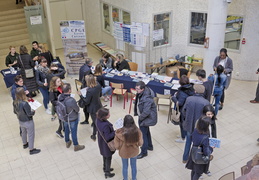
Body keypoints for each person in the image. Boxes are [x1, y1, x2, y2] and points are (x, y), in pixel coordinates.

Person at [182, 84, 210, 163]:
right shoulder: (206, 102)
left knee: (188, 142)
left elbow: (184, 111)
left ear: (195, 91)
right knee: (198, 145)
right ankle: (195, 159)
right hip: (199, 127)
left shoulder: (189, 99)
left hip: (189, 124)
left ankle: (185, 158)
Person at [13, 87, 41, 155]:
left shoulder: (14, 102)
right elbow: (29, 114)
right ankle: (31, 149)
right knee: (31, 135)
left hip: (20, 120)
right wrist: (33, 110)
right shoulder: (25, 103)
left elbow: (14, 111)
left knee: (23, 132)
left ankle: (25, 144)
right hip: (28, 121)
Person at [114, 115, 143, 180]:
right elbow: (140, 143)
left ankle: (125, 179)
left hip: (124, 153)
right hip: (134, 152)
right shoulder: (137, 132)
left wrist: (120, 148)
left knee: (125, 167)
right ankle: (134, 178)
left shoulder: (119, 133)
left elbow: (116, 146)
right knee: (134, 166)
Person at [134, 81, 157, 159]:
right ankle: (150, 146)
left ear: (143, 89)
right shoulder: (142, 93)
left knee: (142, 135)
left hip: (144, 118)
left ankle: (144, 152)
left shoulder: (146, 98)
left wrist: (140, 118)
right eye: (136, 88)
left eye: (137, 89)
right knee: (146, 132)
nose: (136, 90)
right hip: (145, 117)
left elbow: (146, 111)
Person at [59, 83, 85, 151]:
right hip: (72, 118)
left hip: (64, 118)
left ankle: (67, 141)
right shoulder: (71, 100)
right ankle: (76, 145)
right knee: (73, 131)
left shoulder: (59, 97)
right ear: (69, 90)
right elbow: (77, 109)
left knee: (66, 129)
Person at [78, 74, 102, 141]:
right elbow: (100, 94)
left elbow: (86, 102)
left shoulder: (90, 91)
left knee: (95, 122)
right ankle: (95, 133)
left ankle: (94, 135)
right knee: (98, 119)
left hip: (92, 108)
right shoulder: (98, 85)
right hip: (98, 105)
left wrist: (81, 95)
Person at [172, 75, 194, 143]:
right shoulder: (191, 88)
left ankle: (183, 138)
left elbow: (179, 103)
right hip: (189, 108)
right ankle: (184, 135)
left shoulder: (182, 91)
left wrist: (174, 98)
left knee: (182, 124)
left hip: (183, 110)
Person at [96, 107, 115, 179]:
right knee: (108, 157)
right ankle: (107, 172)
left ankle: (105, 167)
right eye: (108, 114)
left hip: (101, 141)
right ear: (104, 116)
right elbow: (108, 137)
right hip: (106, 144)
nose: (109, 115)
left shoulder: (97, 119)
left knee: (104, 155)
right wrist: (114, 132)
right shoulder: (105, 125)